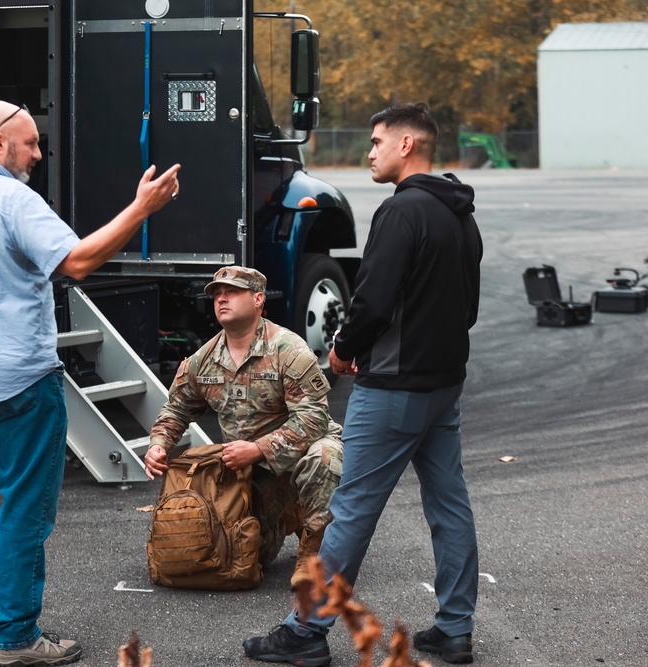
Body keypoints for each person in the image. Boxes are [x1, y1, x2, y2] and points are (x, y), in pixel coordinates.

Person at [0, 100, 180, 666]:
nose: (37, 154)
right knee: (25, 508)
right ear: (0, 143)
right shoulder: (12, 198)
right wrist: (140, 208)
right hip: (23, 379)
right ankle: (17, 638)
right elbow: (78, 261)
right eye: (30, 144)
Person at [243, 102, 483, 666]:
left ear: (407, 145)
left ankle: (304, 634)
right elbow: (467, 306)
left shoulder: (402, 212)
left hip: (395, 386)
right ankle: (454, 630)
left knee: (350, 509)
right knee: (450, 507)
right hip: (442, 384)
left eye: (377, 142)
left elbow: (372, 299)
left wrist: (344, 349)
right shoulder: (460, 213)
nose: (369, 151)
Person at [143, 265, 344, 590]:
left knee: (326, 455)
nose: (222, 299)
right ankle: (288, 517)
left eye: (232, 292)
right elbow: (177, 408)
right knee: (246, 557)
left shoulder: (288, 350)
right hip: (249, 476)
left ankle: (313, 556)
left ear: (258, 299)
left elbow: (313, 419)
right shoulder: (203, 360)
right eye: (217, 294)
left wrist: (258, 448)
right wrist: (159, 444)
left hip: (295, 459)